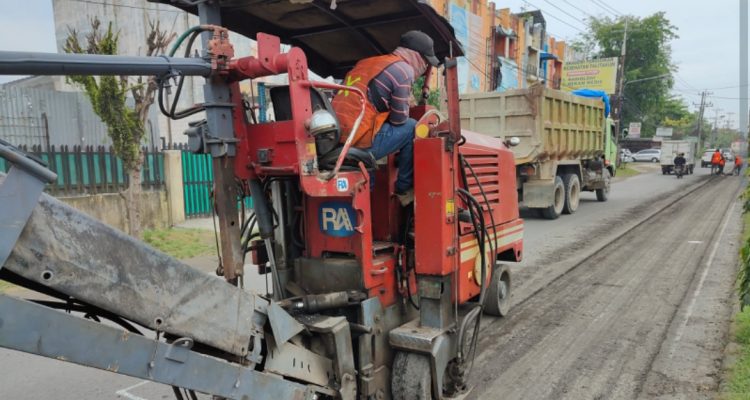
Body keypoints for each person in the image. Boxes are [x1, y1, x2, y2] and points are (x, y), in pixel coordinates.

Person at [332, 30, 440, 205]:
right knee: (412, 127)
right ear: (417, 57)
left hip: (338, 139)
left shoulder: (367, 63)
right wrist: (406, 103)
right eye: (426, 62)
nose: (425, 68)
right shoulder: (404, 70)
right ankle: (403, 188)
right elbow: (399, 120)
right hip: (359, 140)